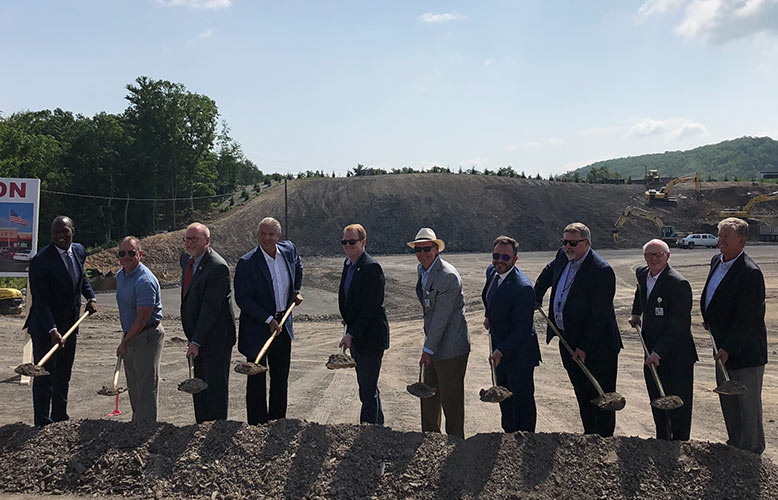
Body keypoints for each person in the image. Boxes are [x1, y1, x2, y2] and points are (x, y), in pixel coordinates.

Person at [534, 222, 622, 437]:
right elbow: (548, 272)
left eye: (573, 243)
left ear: (587, 243)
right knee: (581, 391)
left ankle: (603, 439)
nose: (568, 247)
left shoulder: (601, 271)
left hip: (597, 347)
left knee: (600, 394)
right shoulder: (563, 256)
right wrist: (535, 296)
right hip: (567, 340)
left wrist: (584, 347)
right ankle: (589, 433)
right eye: (565, 242)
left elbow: (599, 317)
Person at [701, 217, 767, 455]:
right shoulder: (717, 261)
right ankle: (735, 444)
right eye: (719, 236)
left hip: (744, 351)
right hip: (720, 346)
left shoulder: (750, 273)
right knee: (728, 400)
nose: (720, 242)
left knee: (746, 404)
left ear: (741, 241)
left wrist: (729, 348)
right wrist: (708, 318)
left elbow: (748, 318)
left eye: (725, 238)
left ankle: (751, 450)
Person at [24, 216, 97, 426]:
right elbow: (41, 301)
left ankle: (59, 417)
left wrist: (90, 297)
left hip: (71, 324)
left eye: (64, 231)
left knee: (64, 373)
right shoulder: (40, 261)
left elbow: (81, 277)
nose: (60, 236)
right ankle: (42, 421)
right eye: (56, 232)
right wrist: (52, 330)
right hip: (45, 327)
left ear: (72, 231)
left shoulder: (79, 251)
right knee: (45, 375)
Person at [234, 217, 303, 425]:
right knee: (256, 378)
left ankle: (277, 422)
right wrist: (268, 319)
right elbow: (243, 298)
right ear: (258, 235)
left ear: (278, 236)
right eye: (262, 234)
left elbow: (298, 266)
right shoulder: (247, 263)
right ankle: (257, 425)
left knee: (280, 377)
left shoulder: (288, 251)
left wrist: (295, 291)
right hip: (258, 326)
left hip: (283, 323)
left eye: (271, 234)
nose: (266, 238)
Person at [628, 239, 697, 440]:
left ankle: (681, 444)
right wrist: (636, 313)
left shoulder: (678, 283)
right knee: (657, 399)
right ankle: (662, 442)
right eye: (650, 255)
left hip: (676, 355)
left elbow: (679, 326)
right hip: (651, 350)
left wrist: (659, 352)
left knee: (677, 404)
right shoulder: (642, 273)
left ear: (667, 256)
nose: (654, 259)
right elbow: (640, 292)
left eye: (659, 255)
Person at [408, 227, 470, 439]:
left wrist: (428, 349)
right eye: (418, 249)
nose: (422, 253)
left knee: (451, 400)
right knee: (428, 394)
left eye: (427, 249)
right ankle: (430, 440)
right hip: (434, 344)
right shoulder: (422, 270)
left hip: (451, 347)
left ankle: (455, 445)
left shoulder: (447, 276)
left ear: (436, 249)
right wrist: (429, 348)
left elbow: (442, 319)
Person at [482, 235, 541, 433]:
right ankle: (508, 438)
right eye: (496, 255)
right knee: (505, 400)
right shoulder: (492, 272)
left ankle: (527, 442)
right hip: (500, 349)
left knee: (521, 400)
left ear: (515, 260)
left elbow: (522, 329)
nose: (499, 260)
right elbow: (490, 298)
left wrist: (501, 351)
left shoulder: (522, 288)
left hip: (519, 354)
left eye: (505, 258)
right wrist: (489, 316)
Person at [180, 222, 236, 423]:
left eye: (195, 239)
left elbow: (210, 310)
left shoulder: (218, 267)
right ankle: (201, 428)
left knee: (215, 390)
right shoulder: (187, 259)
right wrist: (194, 339)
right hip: (198, 337)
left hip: (216, 339)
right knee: (199, 387)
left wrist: (196, 341)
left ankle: (216, 433)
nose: (190, 243)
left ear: (207, 241)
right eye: (187, 239)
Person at [338, 224, 390, 425]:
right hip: (358, 336)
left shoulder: (371, 267)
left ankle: (367, 431)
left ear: (363, 242)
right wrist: (348, 318)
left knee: (367, 389)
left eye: (352, 242)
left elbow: (371, 308)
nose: (348, 246)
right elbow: (348, 297)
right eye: (345, 242)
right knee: (367, 385)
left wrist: (351, 333)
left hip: (371, 338)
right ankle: (378, 427)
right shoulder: (348, 264)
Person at [115, 236, 164, 423]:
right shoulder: (121, 275)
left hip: (147, 335)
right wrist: (126, 338)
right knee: (134, 384)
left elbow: (142, 318)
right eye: (122, 253)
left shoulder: (145, 281)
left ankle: (146, 427)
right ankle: (138, 422)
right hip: (131, 334)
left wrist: (125, 342)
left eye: (131, 253)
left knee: (145, 383)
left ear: (140, 254)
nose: (126, 257)